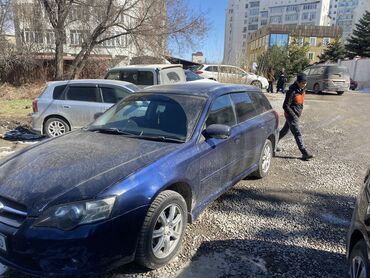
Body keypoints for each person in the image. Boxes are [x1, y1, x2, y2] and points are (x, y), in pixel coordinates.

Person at [278, 73, 313, 161]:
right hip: (291, 116)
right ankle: (304, 153)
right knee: (297, 133)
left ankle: (273, 143)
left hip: (296, 114)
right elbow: (285, 106)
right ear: (297, 82)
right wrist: (293, 115)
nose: (304, 84)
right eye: (302, 83)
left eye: (305, 83)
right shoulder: (292, 91)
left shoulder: (302, 89)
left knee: (285, 130)